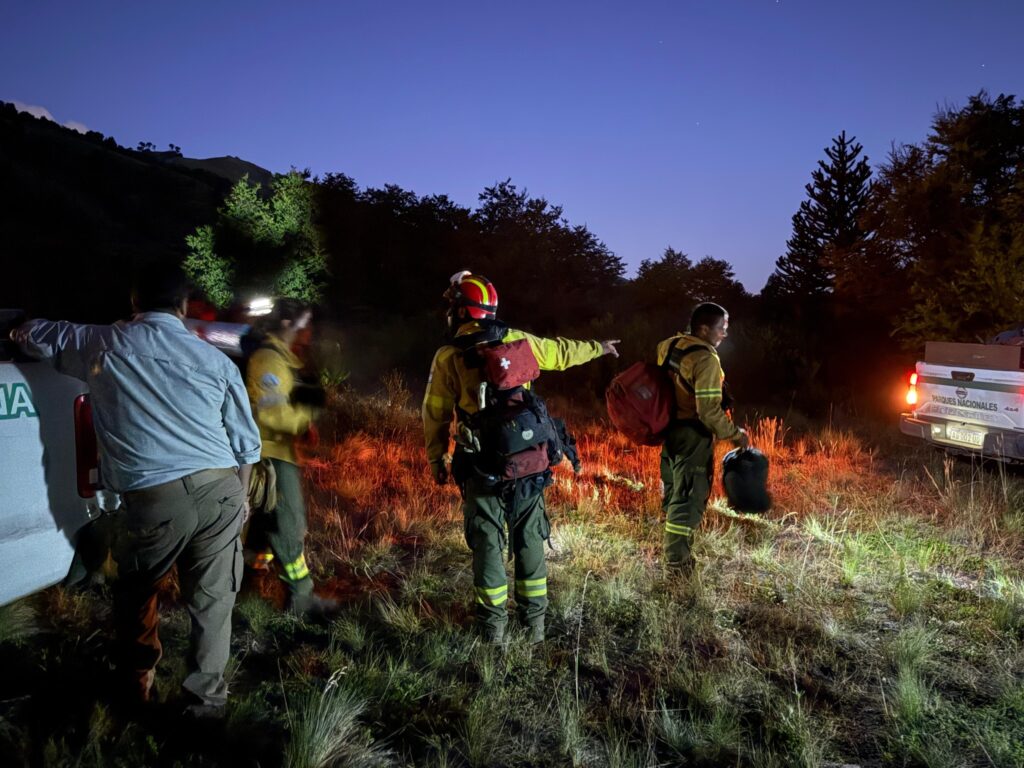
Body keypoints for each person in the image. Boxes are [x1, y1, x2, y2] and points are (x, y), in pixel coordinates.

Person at [12, 265, 261, 717]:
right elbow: (247, 444)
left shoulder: (102, 342)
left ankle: (135, 684)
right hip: (222, 487)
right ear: (183, 307)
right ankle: (204, 707)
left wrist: (16, 326)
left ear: (133, 304)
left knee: (137, 591)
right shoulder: (215, 360)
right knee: (213, 601)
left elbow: (37, 335)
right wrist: (241, 500)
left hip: (155, 496)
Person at [422, 271, 619, 644]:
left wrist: (437, 460)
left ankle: (493, 630)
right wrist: (598, 346)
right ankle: (534, 628)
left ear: (461, 312)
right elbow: (562, 352)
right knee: (530, 540)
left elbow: (433, 412)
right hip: (528, 462)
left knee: (487, 542)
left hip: (480, 466)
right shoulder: (519, 341)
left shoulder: (448, 356)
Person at [243, 299, 335, 617]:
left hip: (274, 453)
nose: (308, 331)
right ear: (286, 324)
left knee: (262, 527)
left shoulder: (284, 360)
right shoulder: (269, 360)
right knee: (289, 525)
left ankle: (245, 585)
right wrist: (305, 416)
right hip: (271, 457)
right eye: (303, 323)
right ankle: (301, 598)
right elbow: (270, 415)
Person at [656, 302, 749, 575]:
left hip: (670, 433)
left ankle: (674, 556)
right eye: (721, 328)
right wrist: (735, 435)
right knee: (687, 501)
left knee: (674, 495)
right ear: (704, 328)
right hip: (693, 436)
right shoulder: (706, 359)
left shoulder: (669, 345)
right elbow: (708, 411)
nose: (724, 334)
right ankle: (678, 568)